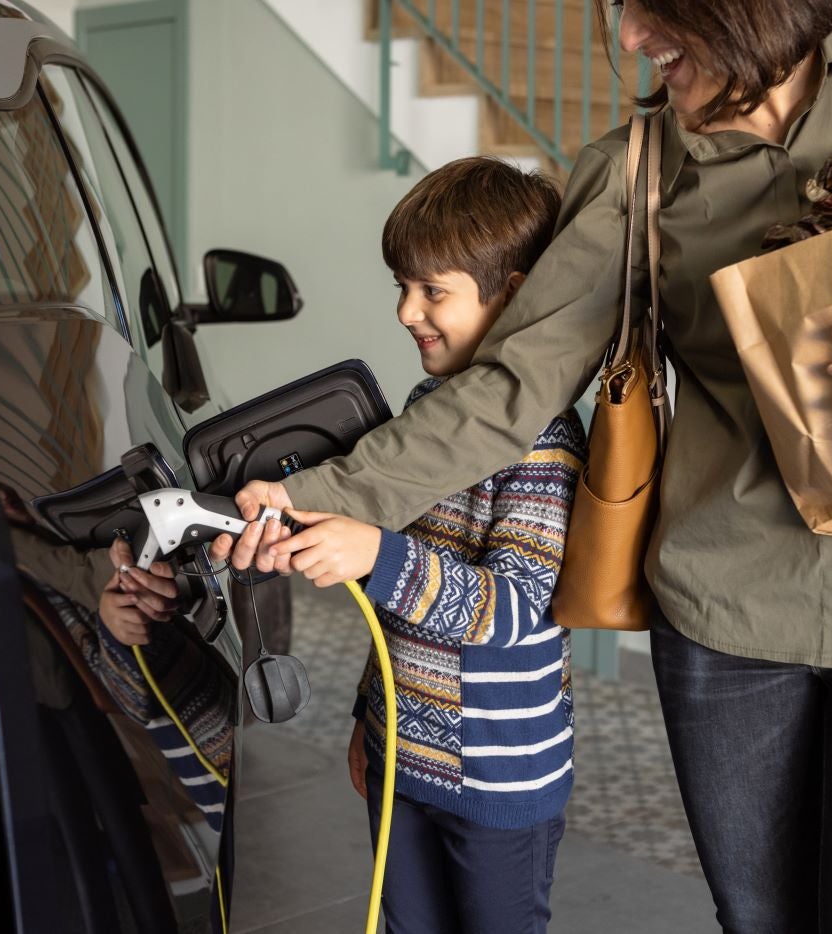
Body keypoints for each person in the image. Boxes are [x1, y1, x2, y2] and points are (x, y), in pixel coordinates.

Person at [212, 2, 832, 931]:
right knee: (759, 918)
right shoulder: (636, 170)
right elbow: (511, 386)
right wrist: (306, 497)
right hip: (730, 615)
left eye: (651, 9)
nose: (627, 38)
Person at [236, 157, 582, 934]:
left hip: (499, 782)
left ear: (514, 294)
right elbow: (396, 612)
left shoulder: (541, 441)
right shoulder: (424, 417)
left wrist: (376, 555)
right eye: (403, 285)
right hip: (404, 757)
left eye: (433, 290)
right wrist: (370, 718)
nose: (405, 311)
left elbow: (513, 609)